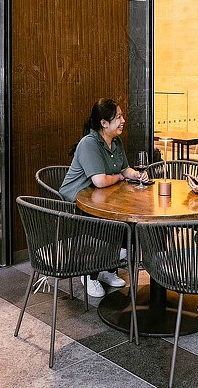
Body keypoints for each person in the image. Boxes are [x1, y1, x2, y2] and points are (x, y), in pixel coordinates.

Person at [58, 98, 146, 298]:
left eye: (122, 116)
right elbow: (99, 181)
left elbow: (124, 168)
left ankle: (108, 268)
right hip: (76, 205)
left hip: (103, 199)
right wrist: (121, 177)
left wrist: (135, 174)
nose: (123, 120)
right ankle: (90, 274)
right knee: (107, 225)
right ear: (104, 123)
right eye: (118, 117)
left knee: (128, 223)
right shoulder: (89, 143)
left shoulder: (115, 141)